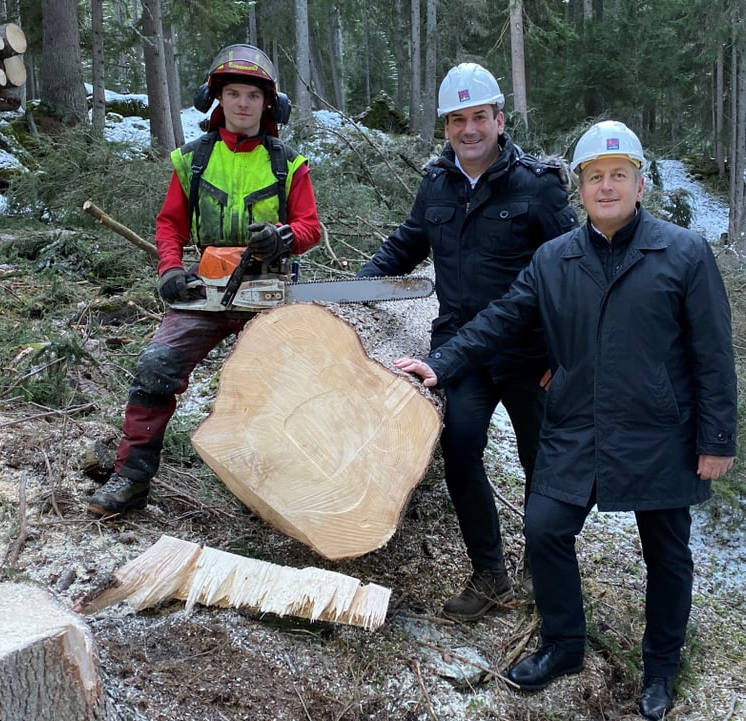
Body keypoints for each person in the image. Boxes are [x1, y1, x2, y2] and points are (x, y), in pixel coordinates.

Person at [394, 120, 737, 720]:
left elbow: (713, 352)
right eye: (595, 177)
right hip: (576, 423)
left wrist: (716, 439)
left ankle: (659, 668)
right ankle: (563, 645)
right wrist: (439, 363)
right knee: (547, 529)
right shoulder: (554, 259)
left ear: (639, 184)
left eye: (619, 176)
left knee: (668, 553)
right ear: (580, 187)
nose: (607, 187)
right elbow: (500, 319)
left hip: (658, 430)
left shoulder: (683, 252)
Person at [357, 62, 579, 621]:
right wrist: (351, 289)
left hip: (531, 354)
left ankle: (543, 562)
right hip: (462, 352)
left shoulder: (538, 185)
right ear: (447, 126)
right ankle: (490, 573)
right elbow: (407, 244)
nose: (469, 130)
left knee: (542, 465)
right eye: (458, 120)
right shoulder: (437, 181)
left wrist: (567, 353)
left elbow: (576, 267)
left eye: (480, 117)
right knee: (459, 451)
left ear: (500, 120)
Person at [89, 44, 321, 517]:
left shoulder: (288, 163)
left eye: (252, 96)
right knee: (156, 367)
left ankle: (278, 490)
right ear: (217, 100)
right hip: (208, 283)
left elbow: (311, 226)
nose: (242, 104)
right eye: (233, 93)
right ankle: (131, 478)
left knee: (280, 391)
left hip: (267, 287)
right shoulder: (192, 159)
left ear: (268, 103)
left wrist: (281, 238)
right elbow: (170, 223)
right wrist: (171, 268)